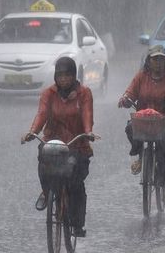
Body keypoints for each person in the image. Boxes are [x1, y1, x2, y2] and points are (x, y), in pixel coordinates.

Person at [21, 56, 96, 237]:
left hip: (77, 144)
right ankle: (47, 193)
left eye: (67, 75)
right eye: (60, 75)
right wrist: (33, 132)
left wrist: (88, 131)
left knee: (76, 184)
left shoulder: (84, 93)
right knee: (43, 160)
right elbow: (42, 114)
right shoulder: (49, 94)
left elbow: (87, 114)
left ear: (74, 76)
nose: (63, 79)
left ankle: (77, 224)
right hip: (53, 142)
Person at [117, 44, 165, 205]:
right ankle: (141, 157)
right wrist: (125, 99)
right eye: (155, 59)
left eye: (162, 59)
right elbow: (130, 93)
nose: (158, 63)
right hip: (144, 122)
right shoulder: (141, 77)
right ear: (149, 61)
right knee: (129, 128)